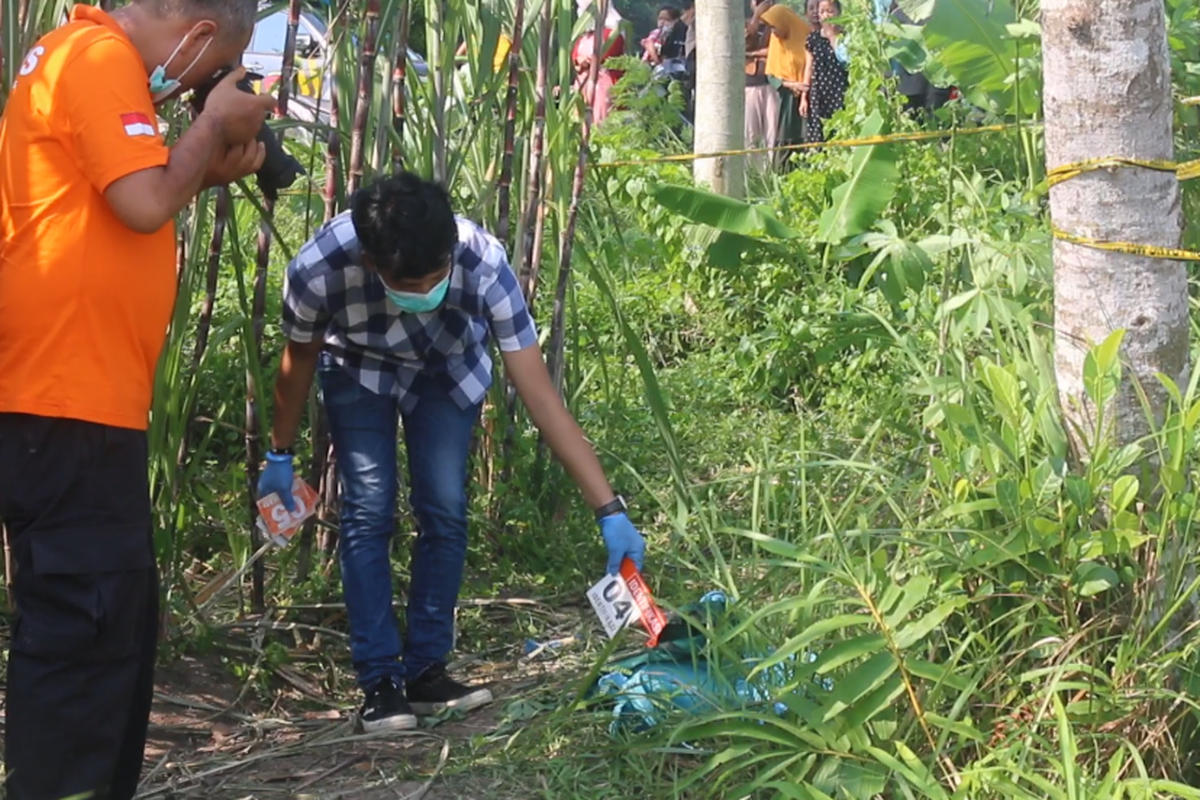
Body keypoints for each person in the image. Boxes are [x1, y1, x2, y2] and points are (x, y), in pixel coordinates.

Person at [257, 172, 647, 734]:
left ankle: (426, 675)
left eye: (435, 277)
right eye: (405, 283)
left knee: (444, 508)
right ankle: (380, 684)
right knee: (369, 510)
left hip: (449, 373)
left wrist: (609, 510)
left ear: (450, 251)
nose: (422, 294)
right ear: (371, 263)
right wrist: (280, 454)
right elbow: (297, 361)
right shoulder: (319, 268)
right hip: (359, 371)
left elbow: (540, 396)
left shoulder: (483, 264)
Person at [0, 0, 275, 797]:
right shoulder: (95, 57)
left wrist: (206, 157)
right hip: (65, 398)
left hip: (77, 399)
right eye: (213, 62)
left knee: (111, 623)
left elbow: (128, 201)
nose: (199, 82)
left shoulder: (81, 59)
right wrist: (215, 118)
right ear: (195, 35)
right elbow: (145, 204)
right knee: (84, 629)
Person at [758, 1, 812, 165]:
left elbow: (811, 65)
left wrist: (804, 91)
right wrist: (793, 85)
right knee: (785, 135)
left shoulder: (806, 35)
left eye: (775, 27)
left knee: (806, 136)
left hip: (808, 96)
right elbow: (772, 74)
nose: (773, 32)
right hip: (785, 99)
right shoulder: (776, 41)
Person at [800, 0, 849, 143]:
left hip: (840, 90)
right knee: (819, 135)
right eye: (822, 12)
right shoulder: (812, 39)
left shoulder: (845, 37)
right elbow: (809, 68)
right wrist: (804, 96)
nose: (826, 15)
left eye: (830, 11)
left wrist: (832, 35)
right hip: (819, 93)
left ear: (838, 13)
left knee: (841, 132)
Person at [744, 0, 780, 173]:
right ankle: (752, 172)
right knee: (751, 133)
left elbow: (775, 51)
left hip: (771, 85)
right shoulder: (746, 25)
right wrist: (757, 17)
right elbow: (742, 45)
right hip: (750, 85)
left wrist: (752, 54)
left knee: (772, 132)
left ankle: (770, 172)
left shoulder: (778, 25)